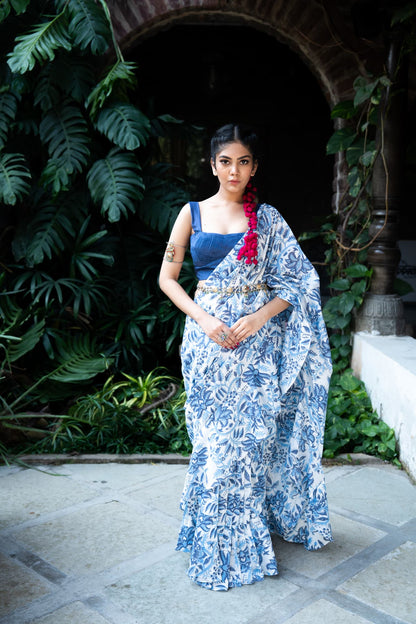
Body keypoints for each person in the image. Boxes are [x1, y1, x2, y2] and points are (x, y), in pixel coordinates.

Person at [159, 123, 333, 591]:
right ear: (211, 164)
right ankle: (215, 537)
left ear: (254, 167)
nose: (233, 171)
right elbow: (168, 278)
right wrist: (205, 320)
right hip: (208, 346)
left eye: (243, 162)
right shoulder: (191, 214)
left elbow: (301, 281)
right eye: (225, 161)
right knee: (215, 445)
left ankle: (248, 530)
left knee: (252, 442)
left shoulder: (268, 219)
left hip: (257, 349)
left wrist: (258, 318)